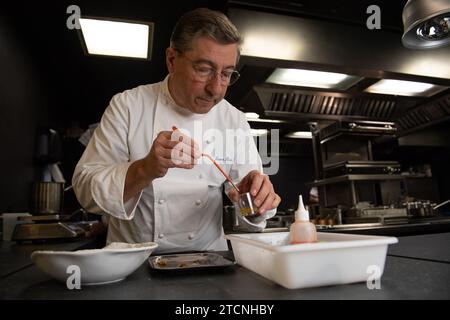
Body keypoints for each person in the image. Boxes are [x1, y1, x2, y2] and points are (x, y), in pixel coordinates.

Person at [72, 8, 281, 254]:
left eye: (226, 74)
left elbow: (248, 210)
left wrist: (256, 204)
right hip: (132, 264)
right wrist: (144, 169)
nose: (216, 88)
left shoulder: (233, 120)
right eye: (204, 69)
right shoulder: (128, 105)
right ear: (172, 60)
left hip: (207, 263)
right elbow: (85, 191)